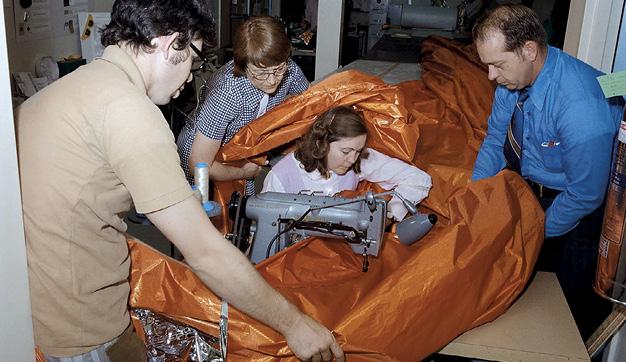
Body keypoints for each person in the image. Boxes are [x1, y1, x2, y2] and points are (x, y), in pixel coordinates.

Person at [16, 1, 343, 361]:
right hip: (81, 326)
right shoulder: (131, 113)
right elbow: (204, 252)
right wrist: (295, 324)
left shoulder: (62, 90)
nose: (190, 77)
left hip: (29, 310)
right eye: (194, 58)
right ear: (172, 44)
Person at [470, 4, 623, 340]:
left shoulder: (580, 107)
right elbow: (496, 141)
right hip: (535, 194)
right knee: (524, 291)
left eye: (497, 65)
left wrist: (533, 233)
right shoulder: (512, 83)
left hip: (581, 213)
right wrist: (473, 198)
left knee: (565, 311)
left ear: (529, 50)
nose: (491, 77)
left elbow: (585, 194)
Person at [177, 16, 309, 195]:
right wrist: (242, 172)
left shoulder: (288, 69)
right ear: (243, 66)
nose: (272, 80)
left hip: (241, 151)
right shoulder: (229, 93)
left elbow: (311, 101)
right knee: (203, 211)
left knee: (241, 210)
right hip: (202, 152)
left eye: (278, 70)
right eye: (260, 73)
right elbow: (200, 166)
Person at [262, 106, 432, 221]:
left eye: (358, 151)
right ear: (321, 143)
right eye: (346, 152)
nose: (352, 159)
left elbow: (418, 179)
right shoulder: (280, 177)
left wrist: (391, 211)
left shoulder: (356, 160)